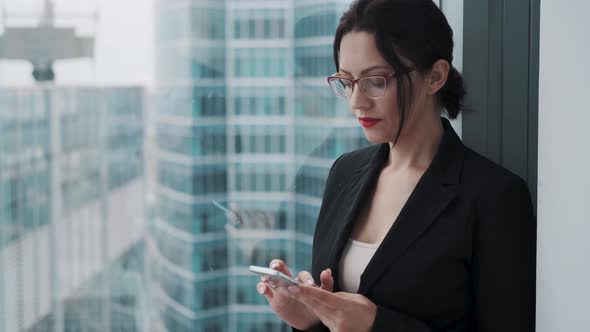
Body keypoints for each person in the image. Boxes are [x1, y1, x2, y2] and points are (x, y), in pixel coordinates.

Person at [256, 0, 536, 331]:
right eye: (346, 82)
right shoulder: (344, 173)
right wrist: (309, 319)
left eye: (376, 81)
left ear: (435, 76)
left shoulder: (494, 197)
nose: (356, 101)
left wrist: (377, 324)